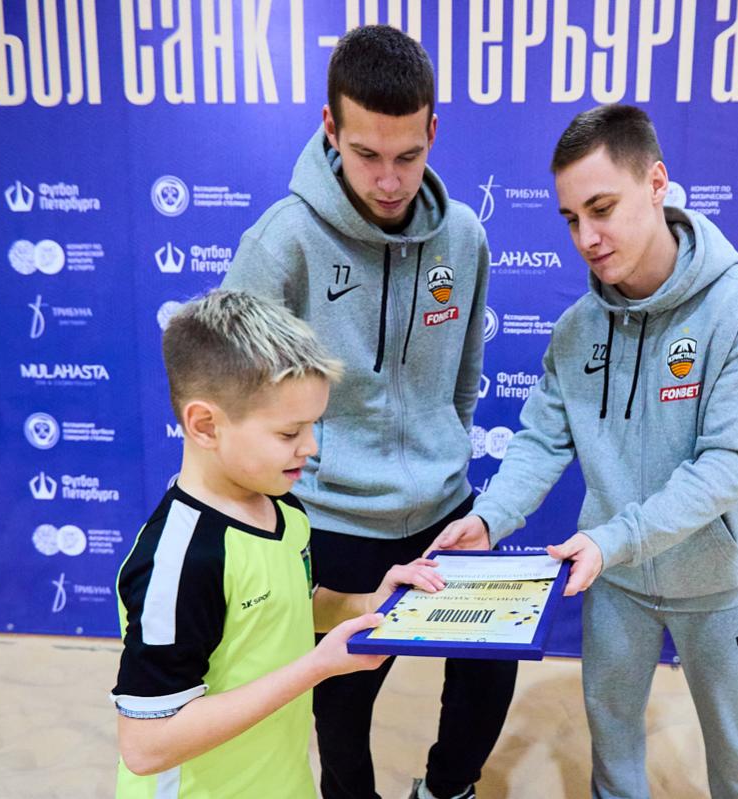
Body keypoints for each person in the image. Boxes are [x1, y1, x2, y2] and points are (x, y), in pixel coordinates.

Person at [430, 104, 738, 798]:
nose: (586, 238)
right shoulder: (576, 329)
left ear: (655, 184)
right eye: (570, 218)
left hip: (717, 586)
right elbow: (541, 440)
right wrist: (490, 519)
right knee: (613, 751)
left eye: (601, 209)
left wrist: (613, 537)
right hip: (615, 583)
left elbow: (727, 465)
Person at [221, 24, 515, 799]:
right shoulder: (281, 242)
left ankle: (445, 789)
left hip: (444, 509)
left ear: (432, 132)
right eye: (366, 155)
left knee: (491, 669)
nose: (389, 180)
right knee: (342, 716)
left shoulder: (464, 236)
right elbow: (233, 397)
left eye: (407, 156)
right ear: (330, 128)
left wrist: (442, 453)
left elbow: (463, 379)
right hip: (333, 521)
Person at [111, 290, 445, 799]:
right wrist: (316, 667)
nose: (310, 447)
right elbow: (146, 746)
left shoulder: (286, 509)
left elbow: (288, 607)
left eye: (313, 426)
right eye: (289, 433)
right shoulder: (179, 561)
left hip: (283, 781)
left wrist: (370, 603)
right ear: (205, 425)